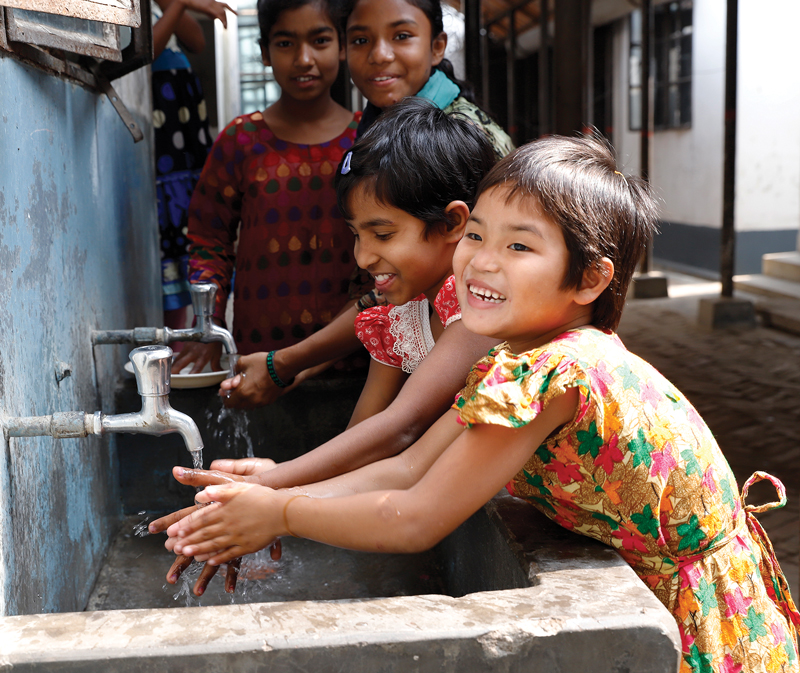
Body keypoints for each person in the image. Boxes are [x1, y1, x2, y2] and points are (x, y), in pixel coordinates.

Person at [167, 135, 799, 672]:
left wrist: (280, 516)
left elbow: (416, 517)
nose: (481, 262)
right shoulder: (515, 360)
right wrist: (272, 490)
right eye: (475, 235)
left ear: (589, 279)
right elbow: (408, 468)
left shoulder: (557, 373)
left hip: (701, 621)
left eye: (519, 246)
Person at [153, 97, 499, 595]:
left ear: (452, 224)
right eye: (356, 234)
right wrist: (271, 496)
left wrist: (275, 494)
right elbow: (367, 440)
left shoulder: (478, 311)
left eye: (382, 232)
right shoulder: (399, 317)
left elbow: (400, 433)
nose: (362, 255)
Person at [220, 0, 513, 402]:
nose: (379, 54)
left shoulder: (465, 140)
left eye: (401, 35)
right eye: (361, 39)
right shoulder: (379, 127)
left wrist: (288, 362)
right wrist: (294, 363)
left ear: (437, 46)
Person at [171, 0, 368, 375]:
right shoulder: (239, 140)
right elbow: (208, 242)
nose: (304, 58)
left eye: (320, 41)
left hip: (354, 355)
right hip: (258, 358)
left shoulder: (368, 141)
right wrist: (209, 329)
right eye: (285, 43)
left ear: (342, 47)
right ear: (264, 52)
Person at [151, 0, 234, 331]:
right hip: (165, 133)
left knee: (187, 216)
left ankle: (186, 339)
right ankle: (176, 343)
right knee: (170, 231)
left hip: (182, 132)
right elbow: (147, 52)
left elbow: (197, 41)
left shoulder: (161, 6)